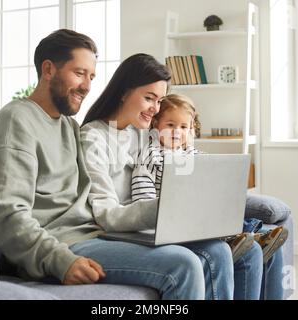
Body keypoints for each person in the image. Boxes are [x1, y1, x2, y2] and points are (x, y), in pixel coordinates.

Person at [0, 29, 217, 299]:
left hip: (94, 236)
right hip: (66, 243)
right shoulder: (16, 121)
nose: (87, 86)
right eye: (79, 73)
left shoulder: (68, 125)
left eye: (91, 76)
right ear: (48, 69)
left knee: (213, 252)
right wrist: (60, 260)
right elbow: (7, 214)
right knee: (182, 265)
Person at [81, 53, 284, 299]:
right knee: (218, 252)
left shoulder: (143, 131)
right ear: (123, 92)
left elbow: (181, 139)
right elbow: (106, 214)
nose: (154, 109)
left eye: (159, 101)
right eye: (149, 98)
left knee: (250, 251)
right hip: (127, 230)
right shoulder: (93, 138)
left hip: (160, 222)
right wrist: (167, 207)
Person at [130, 93, 288, 264]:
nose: (177, 132)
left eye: (183, 127)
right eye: (170, 125)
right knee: (207, 221)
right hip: (171, 218)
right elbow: (142, 201)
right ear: (155, 124)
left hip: (199, 213)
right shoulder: (150, 156)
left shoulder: (192, 153)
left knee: (222, 210)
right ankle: (243, 239)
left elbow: (211, 177)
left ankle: (249, 237)